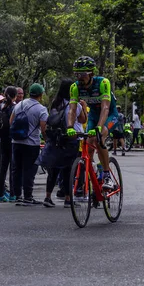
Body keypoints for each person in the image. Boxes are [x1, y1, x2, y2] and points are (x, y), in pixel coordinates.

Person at [67, 56, 120, 190]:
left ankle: (107, 175)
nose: (80, 77)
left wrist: (98, 127)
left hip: (109, 115)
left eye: (83, 74)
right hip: (93, 117)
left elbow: (105, 108)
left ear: (91, 73)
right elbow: (72, 110)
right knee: (88, 146)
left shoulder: (103, 83)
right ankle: (94, 171)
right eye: (77, 73)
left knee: (99, 137)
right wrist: (69, 127)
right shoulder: (75, 87)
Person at [39, 79, 86, 208]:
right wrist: (84, 106)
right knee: (68, 169)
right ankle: (68, 198)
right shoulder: (76, 104)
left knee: (53, 169)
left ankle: (47, 197)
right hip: (71, 138)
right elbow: (82, 119)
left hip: (57, 138)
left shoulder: (55, 103)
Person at [10, 83, 48, 205]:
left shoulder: (19, 105)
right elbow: (44, 129)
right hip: (31, 143)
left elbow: (11, 121)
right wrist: (46, 140)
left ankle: (17, 195)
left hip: (16, 142)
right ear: (41, 95)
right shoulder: (41, 109)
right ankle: (28, 196)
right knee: (29, 170)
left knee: (17, 169)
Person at [0, 87, 17, 202]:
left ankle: (0, 194)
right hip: (12, 140)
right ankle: (13, 194)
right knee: (13, 168)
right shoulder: (14, 107)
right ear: (15, 95)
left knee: (2, 168)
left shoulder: (0, 107)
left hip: (2, 139)